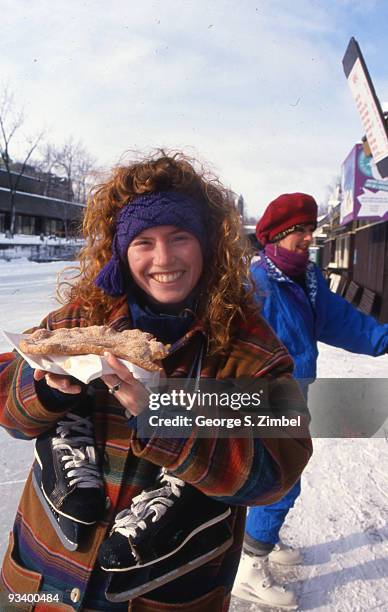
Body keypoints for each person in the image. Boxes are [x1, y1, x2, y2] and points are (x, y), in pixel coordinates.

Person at [0, 154, 312, 612]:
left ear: (208, 246)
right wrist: (44, 387)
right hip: (43, 577)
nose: (163, 259)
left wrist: (166, 416)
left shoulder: (248, 350)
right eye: (143, 241)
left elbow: (274, 473)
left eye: (179, 238)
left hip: (167, 592)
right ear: (121, 250)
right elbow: (7, 400)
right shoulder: (79, 319)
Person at [233, 192, 388, 609]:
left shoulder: (308, 279)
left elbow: (346, 322)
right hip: (263, 401)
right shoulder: (257, 284)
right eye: (298, 230)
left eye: (309, 228)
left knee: (278, 477)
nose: (307, 236)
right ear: (277, 235)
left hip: (294, 396)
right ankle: (249, 566)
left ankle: (262, 538)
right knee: (282, 479)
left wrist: (384, 339)